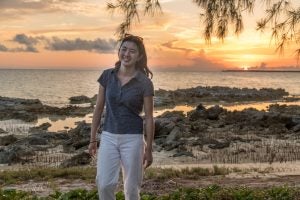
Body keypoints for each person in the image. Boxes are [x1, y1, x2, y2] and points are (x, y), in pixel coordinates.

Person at [88, 33, 155, 200]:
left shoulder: (144, 83)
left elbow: (149, 118)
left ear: (139, 56)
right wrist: (92, 139)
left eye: (132, 51)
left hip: (133, 139)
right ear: (119, 52)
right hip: (109, 136)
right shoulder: (107, 76)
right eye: (124, 49)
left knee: (132, 190)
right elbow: (98, 108)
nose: (127, 54)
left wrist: (149, 149)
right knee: (104, 185)